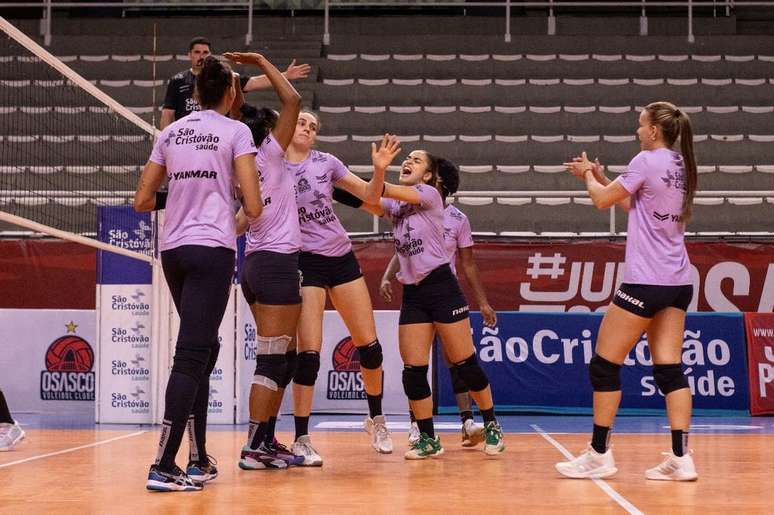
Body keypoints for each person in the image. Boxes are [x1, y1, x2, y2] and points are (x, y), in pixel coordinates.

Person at [135, 55, 262, 491]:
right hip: (211, 249)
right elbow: (255, 206)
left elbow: (143, 201)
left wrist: (187, 194)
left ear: (193, 94)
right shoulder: (237, 131)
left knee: (204, 348)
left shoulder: (170, 132)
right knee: (192, 353)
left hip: (174, 249)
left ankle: (198, 458)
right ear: (230, 93)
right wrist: (223, 203)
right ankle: (163, 464)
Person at [557, 101, 698, 481]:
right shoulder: (681, 164)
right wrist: (603, 178)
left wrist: (588, 177)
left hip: (645, 281)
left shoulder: (645, 160)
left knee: (604, 366)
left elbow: (603, 202)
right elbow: (635, 201)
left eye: (640, 125)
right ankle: (681, 458)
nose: (637, 131)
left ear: (654, 131)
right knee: (670, 369)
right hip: (678, 281)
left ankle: (599, 454)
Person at [359, 149, 506, 460]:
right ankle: (428, 437)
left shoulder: (427, 195)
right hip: (413, 293)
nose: (408, 162)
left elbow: (378, 190)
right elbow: (368, 196)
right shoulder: (397, 207)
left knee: (464, 363)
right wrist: (334, 183)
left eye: (416, 160)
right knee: (413, 371)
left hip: (442, 287)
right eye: (407, 158)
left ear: (428, 175)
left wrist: (379, 170)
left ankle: (491, 423)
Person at [285, 111, 400, 466]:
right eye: (302, 122)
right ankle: (301, 437)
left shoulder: (326, 163)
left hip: (339, 256)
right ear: (289, 126)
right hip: (304, 260)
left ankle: (376, 419)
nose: (307, 128)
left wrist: (379, 170)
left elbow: (369, 194)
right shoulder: (270, 163)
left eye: (313, 127)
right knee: (309, 355)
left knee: (370, 347)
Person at [220, 51, 303, 470]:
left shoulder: (241, 166)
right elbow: (294, 102)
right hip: (274, 264)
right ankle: (253, 444)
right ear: (268, 134)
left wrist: (235, 86)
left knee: (283, 358)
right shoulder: (268, 153)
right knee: (273, 358)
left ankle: (266, 439)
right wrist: (260, 60)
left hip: (255, 265)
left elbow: (241, 219)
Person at [160, 36, 311, 129]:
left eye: (205, 52)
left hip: (217, 135)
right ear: (189, 55)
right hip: (187, 136)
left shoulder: (223, 75)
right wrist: (163, 139)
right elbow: (168, 114)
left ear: (210, 54)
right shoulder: (178, 80)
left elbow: (255, 82)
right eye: (197, 52)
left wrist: (285, 75)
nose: (201, 56)